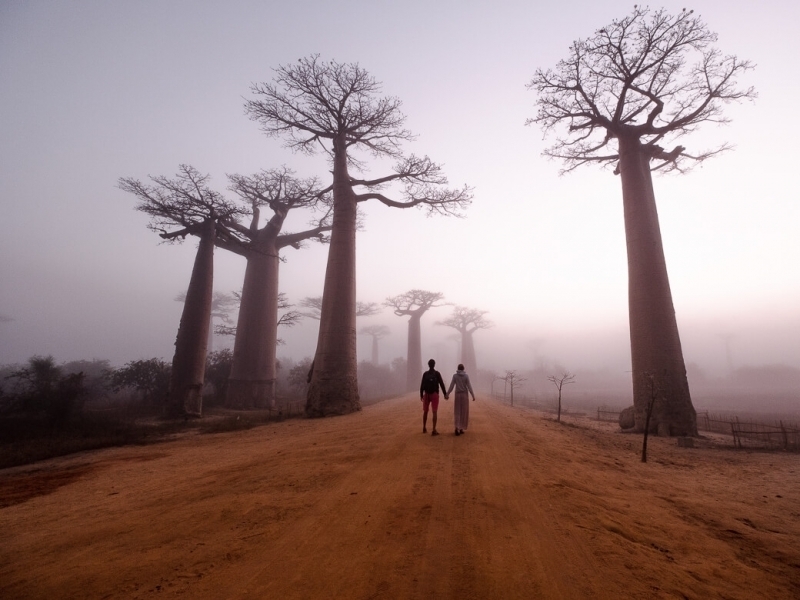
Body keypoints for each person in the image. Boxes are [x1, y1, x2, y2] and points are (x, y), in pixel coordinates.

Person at [419, 358, 447, 436]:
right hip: (434, 394)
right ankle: (434, 429)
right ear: (434, 365)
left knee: (425, 411)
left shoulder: (425, 374)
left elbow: (422, 385)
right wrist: (445, 394)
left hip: (427, 394)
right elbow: (441, 384)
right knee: (434, 412)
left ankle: (424, 427)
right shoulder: (437, 373)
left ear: (428, 365)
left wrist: (421, 394)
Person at [446, 363, 475, 436]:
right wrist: (473, 395)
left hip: (458, 395)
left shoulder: (455, 376)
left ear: (458, 369)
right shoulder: (466, 376)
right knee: (464, 412)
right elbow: (469, 386)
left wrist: (447, 393)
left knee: (457, 411)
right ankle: (461, 428)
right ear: (463, 369)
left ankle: (457, 428)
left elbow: (451, 386)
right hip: (464, 395)